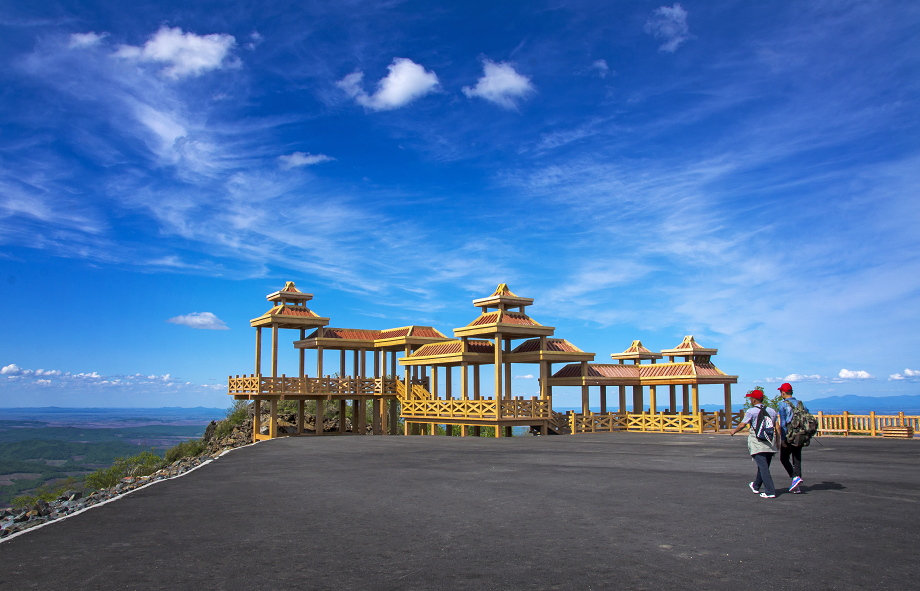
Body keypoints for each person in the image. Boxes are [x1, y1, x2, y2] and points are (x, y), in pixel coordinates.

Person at [728, 389, 781, 498]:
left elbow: (743, 424)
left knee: (763, 468)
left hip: (757, 442)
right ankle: (756, 486)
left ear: (754, 400)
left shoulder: (751, 411)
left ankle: (770, 491)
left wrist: (734, 430)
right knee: (764, 467)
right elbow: (777, 427)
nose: (750, 399)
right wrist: (779, 442)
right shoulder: (772, 411)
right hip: (770, 443)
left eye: (751, 398)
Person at [777, 383, 804, 493]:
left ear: (783, 393)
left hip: (789, 435)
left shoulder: (782, 404)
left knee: (784, 458)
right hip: (800, 434)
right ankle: (796, 486)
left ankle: (794, 477)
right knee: (797, 460)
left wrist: (783, 438)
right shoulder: (800, 403)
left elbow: (783, 423)